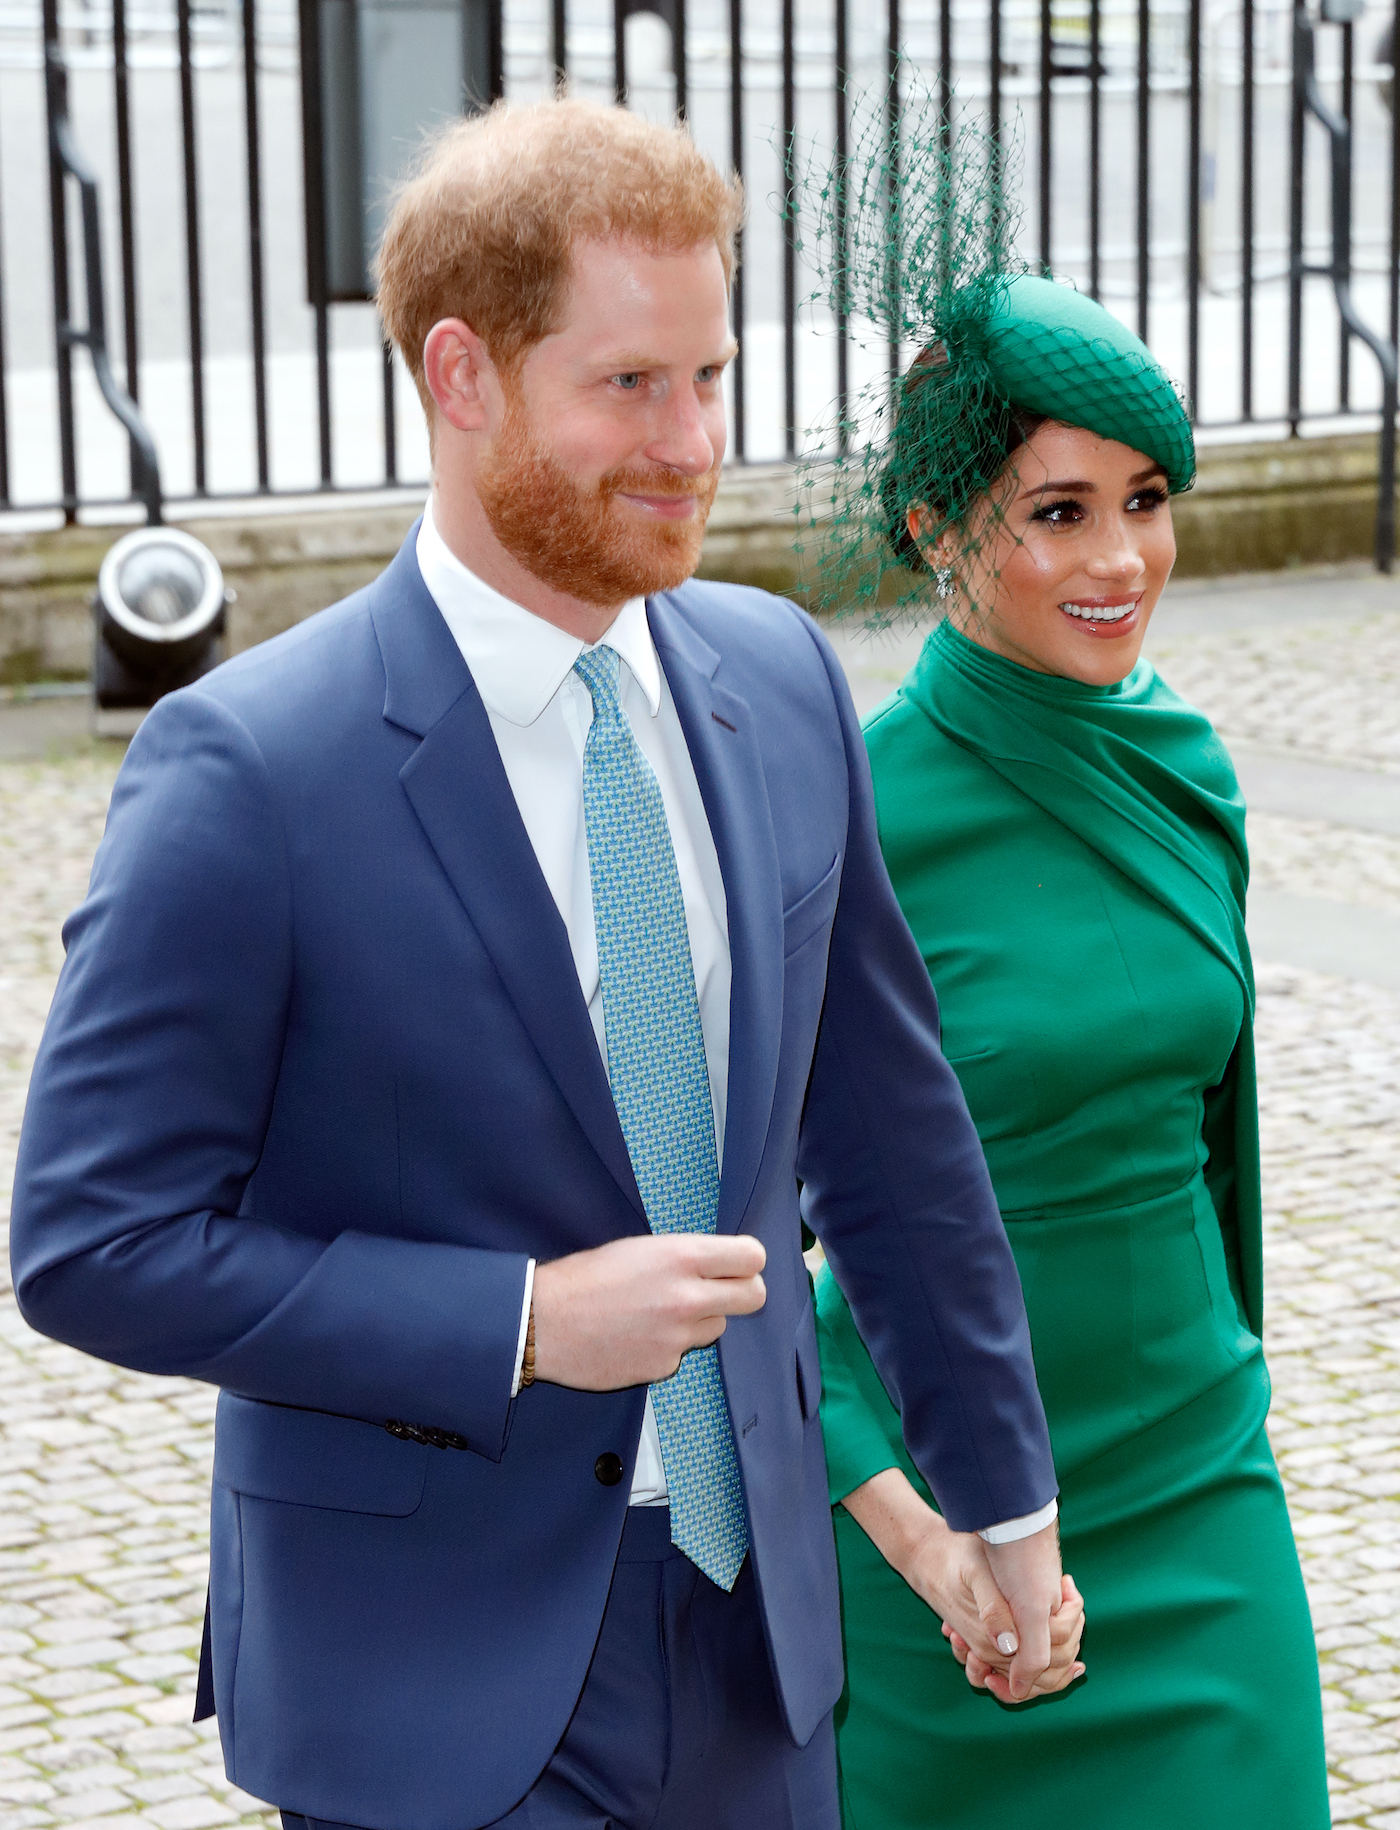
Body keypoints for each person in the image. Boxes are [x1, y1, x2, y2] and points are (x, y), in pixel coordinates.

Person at [9, 100, 1073, 1830]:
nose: (692, 442)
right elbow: (93, 1241)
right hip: (423, 1684)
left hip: (759, 1654)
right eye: (630, 386)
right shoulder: (250, 769)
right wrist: (519, 1322)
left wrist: (1002, 1502)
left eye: (711, 376)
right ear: (462, 375)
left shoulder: (782, 680)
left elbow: (890, 1136)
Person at [803, 145, 1332, 1828]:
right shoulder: (849, 819)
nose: (1122, 559)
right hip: (933, 1536)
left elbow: (1215, 1149)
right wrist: (916, 1533)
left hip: (1199, 1489)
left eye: (1147, 498)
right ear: (933, 527)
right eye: (1057, 510)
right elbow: (738, 1243)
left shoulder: (1184, 767)